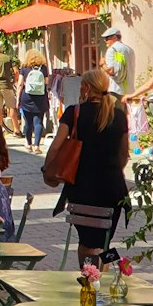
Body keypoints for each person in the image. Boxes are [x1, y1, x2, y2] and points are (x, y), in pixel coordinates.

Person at [42, 67, 128, 268]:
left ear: (87, 87)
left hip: (83, 187)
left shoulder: (75, 112)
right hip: (113, 188)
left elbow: (56, 146)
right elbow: (124, 153)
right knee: (103, 242)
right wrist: (114, 169)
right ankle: (105, 275)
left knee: (87, 243)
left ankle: (89, 279)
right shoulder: (119, 114)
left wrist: (48, 171)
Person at [17, 48, 49, 153]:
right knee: (38, 122)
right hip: (40, 98)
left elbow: (20, 84)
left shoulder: (24, 68)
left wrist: (18, 98)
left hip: (27, 98)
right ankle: (37, 146)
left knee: (28, 122)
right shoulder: (43, 68)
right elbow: (46, 83)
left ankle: (29, 143)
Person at [102, 27, 135, 99]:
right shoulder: (129, 50)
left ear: (114, 37)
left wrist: (102, 64)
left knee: (115, 110)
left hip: (116, 90)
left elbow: (111, 71)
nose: (105, 41)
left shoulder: (112, 50)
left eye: (107, 38)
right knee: (127, 110)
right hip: (129, 90)